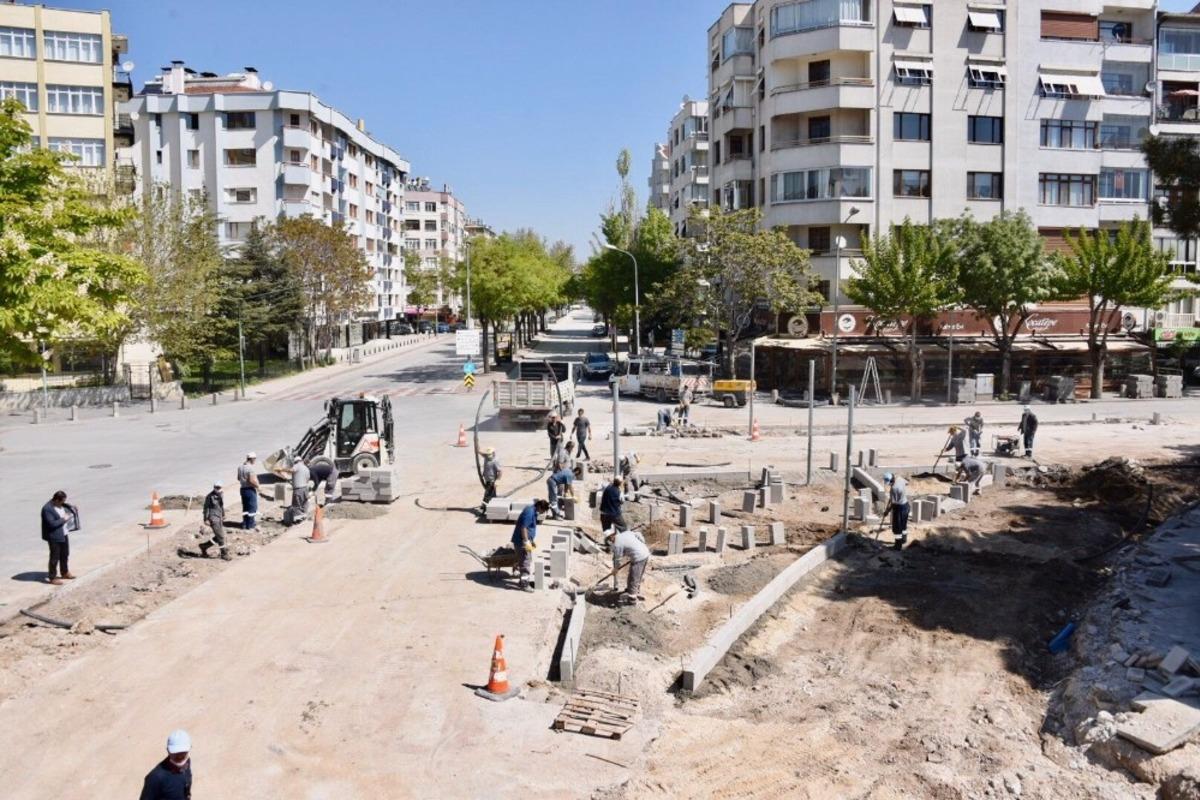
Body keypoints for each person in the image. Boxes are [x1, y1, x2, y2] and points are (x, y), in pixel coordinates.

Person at [139, 729, 193, 800]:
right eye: (175, 753)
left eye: (183, 752)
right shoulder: (155, 778)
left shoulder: (187, 762)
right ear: (168, 750)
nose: (180, 756)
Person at [40, 490, 79, 585]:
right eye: (62, 501)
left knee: (65, 554)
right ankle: (52, 577)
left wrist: (73, 508)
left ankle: (65, 572)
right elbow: (51, 524)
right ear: (56, 500)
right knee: (54, 557)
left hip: (64, 534)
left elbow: (67, 508)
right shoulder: (47, 509)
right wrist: (63, 519)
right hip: (54, 536)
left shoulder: (62, 505)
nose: (63, 503)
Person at [511, 499, 551, 591]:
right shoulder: (529, 512)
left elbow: (529, 527)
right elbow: (524, 528)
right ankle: (524, 585)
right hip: (521, 542)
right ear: (540, 507)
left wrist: (531, 540)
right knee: (526, 563)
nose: (542, 513)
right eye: (543, 511)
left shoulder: (532, 510)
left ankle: (519, 575)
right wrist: (526, 541)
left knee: (523, 560)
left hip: (523, 540)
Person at [607, 527, 650, 604]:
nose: (610, 542)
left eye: (609, 540)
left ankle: (632, 599)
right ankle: (632, 590)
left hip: (639, 557)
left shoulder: (617, 544)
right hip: (645, 553)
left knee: (634, 577)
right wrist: (642, 544)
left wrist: (615, 569)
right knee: (635, 575)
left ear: (611, 537)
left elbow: (618, 559)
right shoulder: (626, 533)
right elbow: (639, 534)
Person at [200, 480, 231, 560]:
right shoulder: (210, 496)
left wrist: (223, 514)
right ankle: (224, 554)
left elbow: (221, 506)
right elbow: (206, 508)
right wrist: (206, 519)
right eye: (215, 487)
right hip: (213, 518)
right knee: (221, 536)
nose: (217, 489)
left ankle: (204, 546)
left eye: (218, 487)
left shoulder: (221, 494)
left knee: (219, 536)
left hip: (219, 517)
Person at [882, 472, 910, 550]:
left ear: (891, 480)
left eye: (889, 483)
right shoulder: (900, 479)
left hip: (899, 508)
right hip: (906, 505)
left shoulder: (894, 489)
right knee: (903, 525)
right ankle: (904, 540)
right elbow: (906, 483)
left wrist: (887, 512)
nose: (889, 484)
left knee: (897, 528)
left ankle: (898, 546)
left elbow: (893, 504)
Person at [237, 452, 260, 530]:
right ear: (252, 459)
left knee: (245, 507)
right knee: (252, 507)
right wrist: (257, 486)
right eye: (255, 459)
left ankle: (245, 524)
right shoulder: (250, 468)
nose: (255, 461)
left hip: (243, 489)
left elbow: (238, 478)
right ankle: (251, 525)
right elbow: (251, 480)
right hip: (250, 489)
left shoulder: (240, 467)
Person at [290, 458, 311, 524]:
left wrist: (281, 469)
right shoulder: (306, 468)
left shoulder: (297, 465)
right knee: (304, 503)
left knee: (296, 505)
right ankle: (304, 518)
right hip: (305, 489)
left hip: (298, 490)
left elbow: (292, 470)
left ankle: (299, 521)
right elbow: (307, 479)